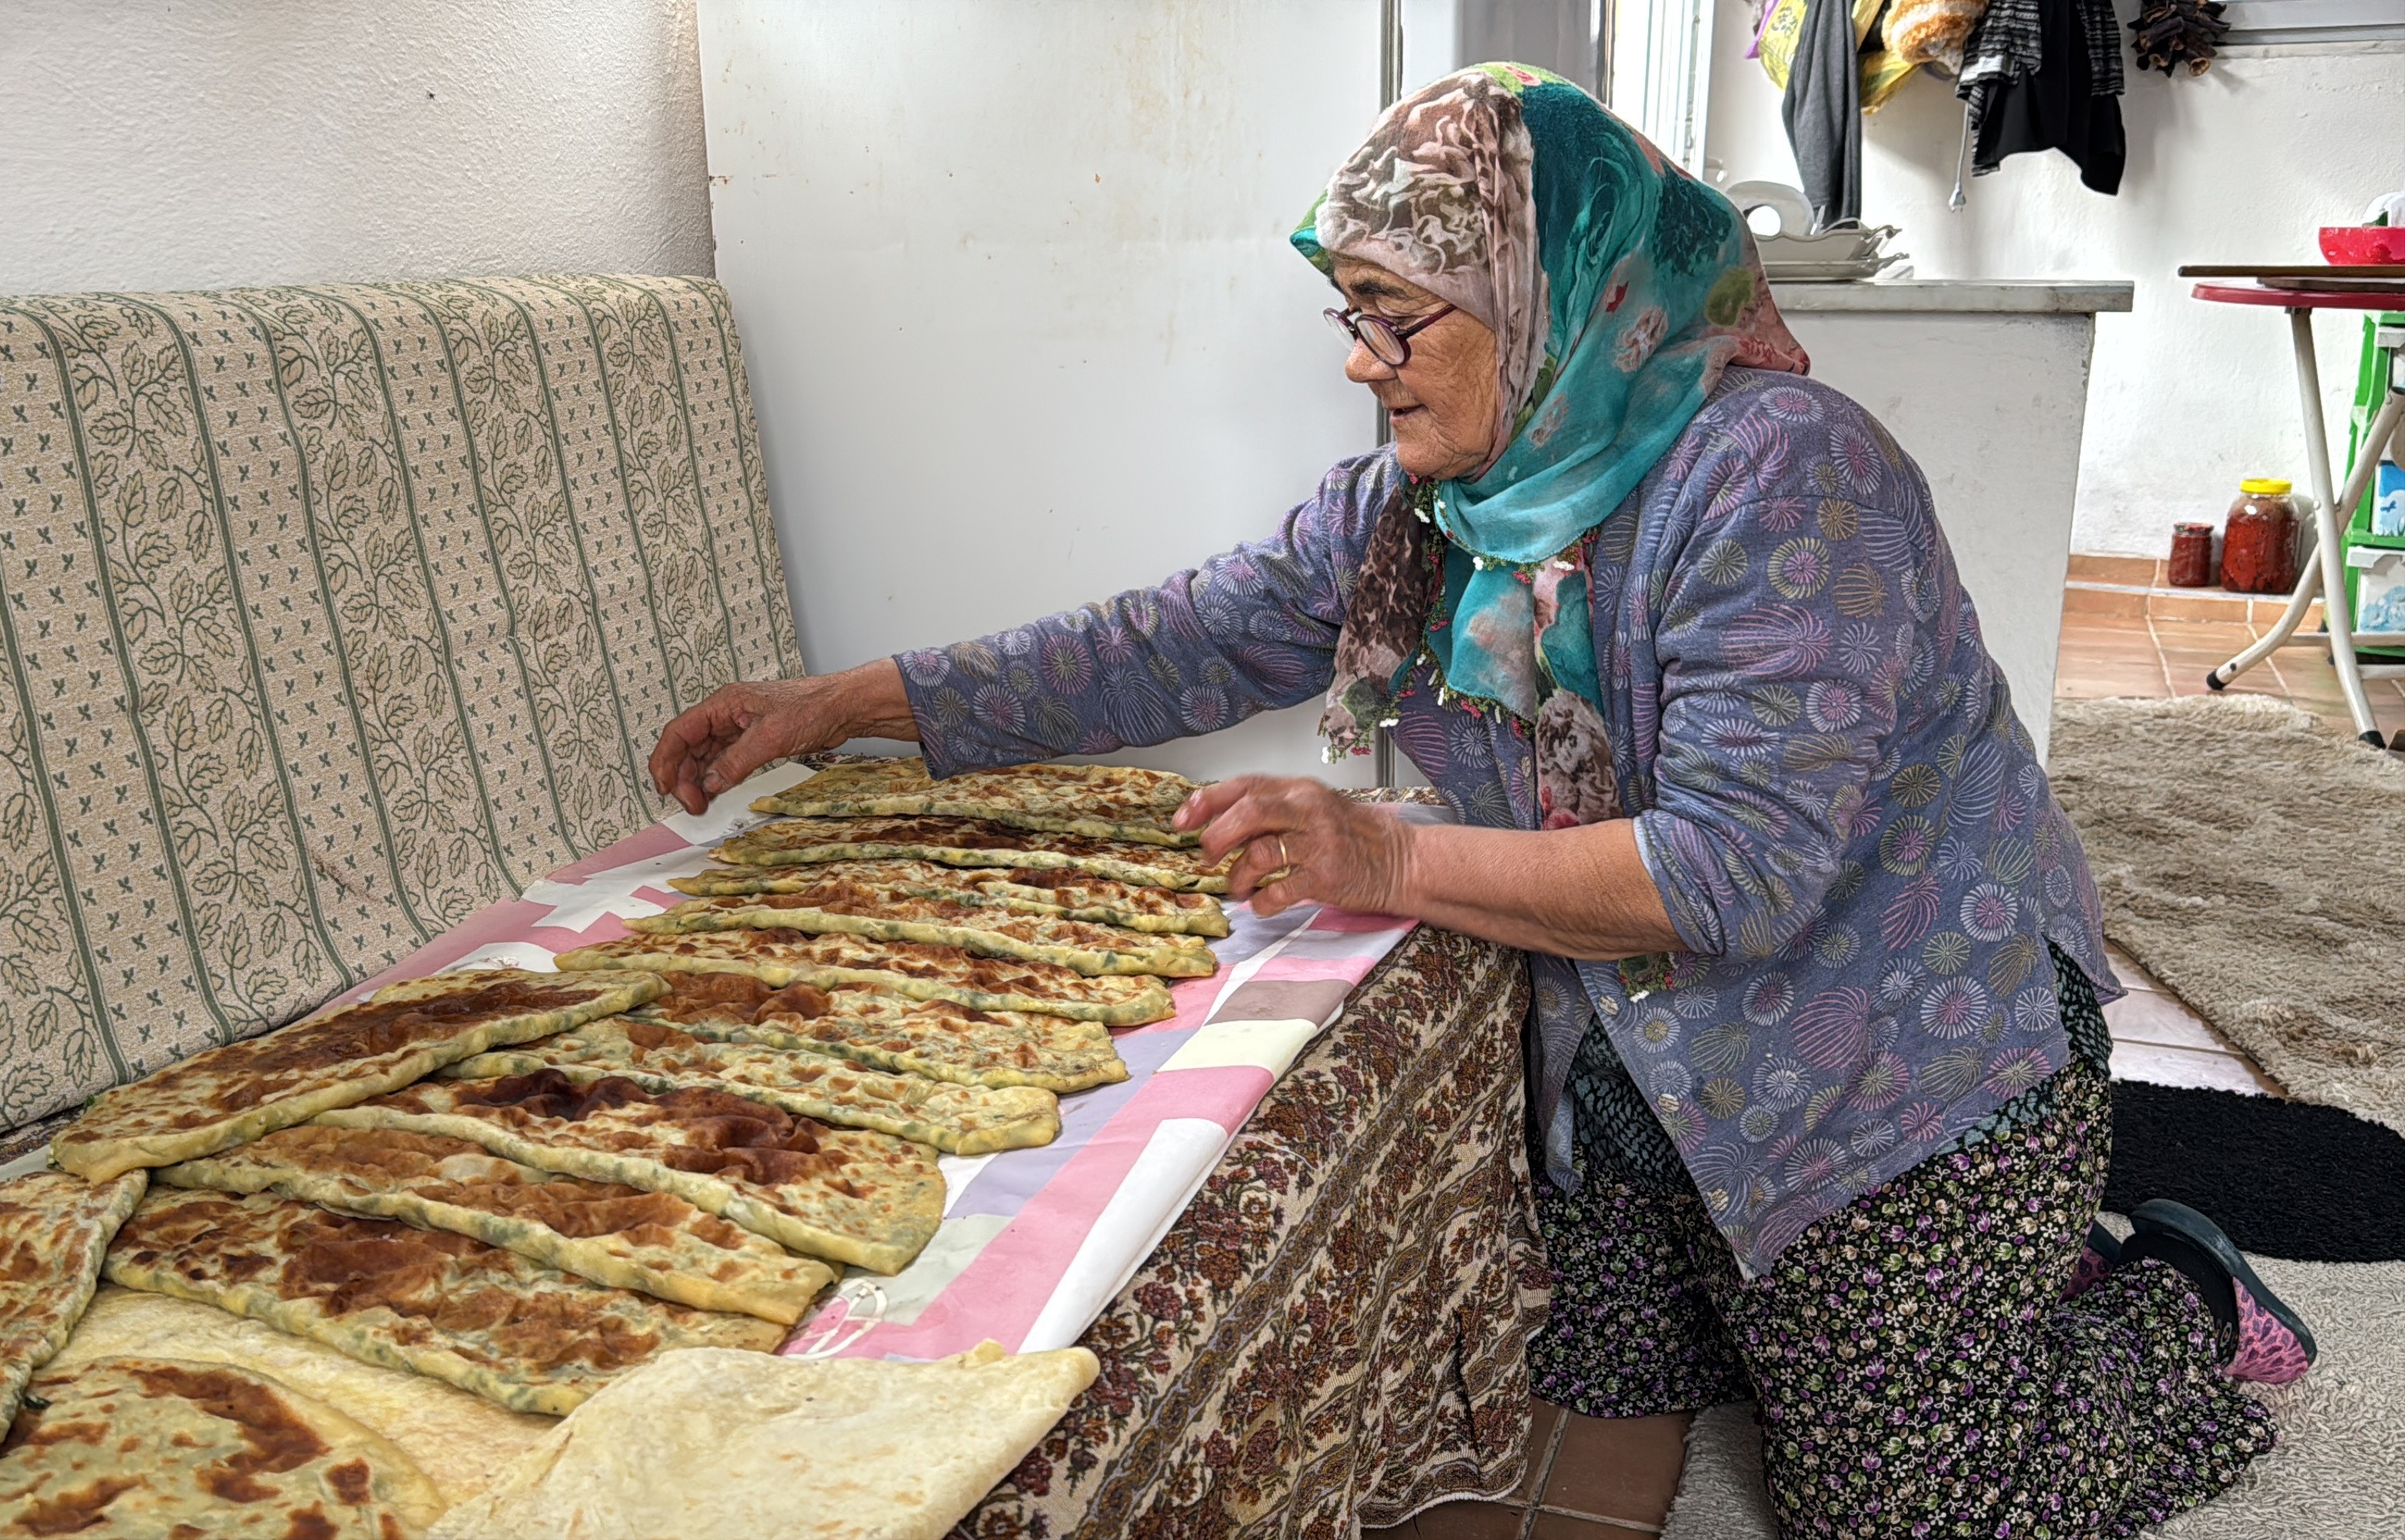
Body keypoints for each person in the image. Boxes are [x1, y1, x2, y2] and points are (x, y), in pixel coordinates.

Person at [649, 65, 2307, 1537]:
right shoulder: (1422, 505)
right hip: (1640, 1065)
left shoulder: (1784, 469)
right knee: (1588, 1375)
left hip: (1890, 1063)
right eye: (1347, 313)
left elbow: (1737, 875)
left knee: (1898, 1502)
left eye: (1399, 313)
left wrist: (1382, 854)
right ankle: (1972, 1297)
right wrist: (839, 704)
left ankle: (2170, 1291)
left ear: (1551, 286)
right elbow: (1174, 639)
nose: (1364, 365)